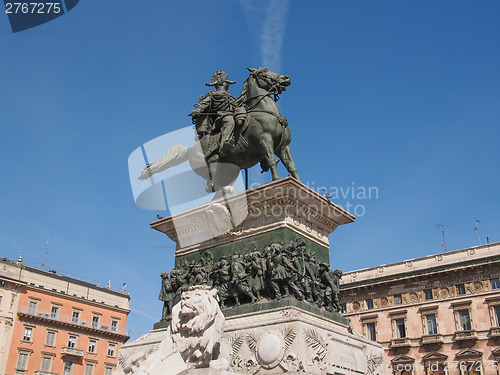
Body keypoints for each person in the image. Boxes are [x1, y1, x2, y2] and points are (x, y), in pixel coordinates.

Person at [189, 70, 245, 157]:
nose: (228, 85)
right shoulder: (213, 95)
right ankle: (224, 145)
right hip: (222, 117)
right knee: (229, 122)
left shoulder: (232, 97)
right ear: (221, 83)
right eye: (227, 83)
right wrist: (197, 110)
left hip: (233, 116)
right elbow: (204, 104)